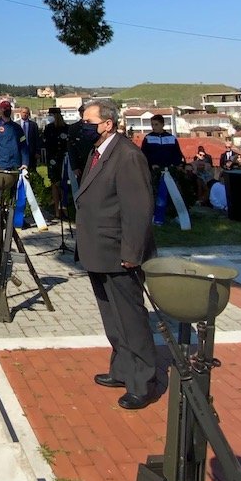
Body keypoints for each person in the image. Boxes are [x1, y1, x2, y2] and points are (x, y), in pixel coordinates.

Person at [74, 98, 158, 410]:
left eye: (88, 122)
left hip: (120, 253)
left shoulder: (127, 156)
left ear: (107, 124)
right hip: (98, 250)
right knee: (112, 317)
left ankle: (141, 381)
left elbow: (138, 209)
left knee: (131, 319)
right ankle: (122, 370)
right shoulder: (98, 152)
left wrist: (132, 253)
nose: (83, 128)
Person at [18, 107, 40, 171]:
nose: (25, 114)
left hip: (31, 152)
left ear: (29, 114)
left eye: (27, 113)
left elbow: (37, 139)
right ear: (20, 113)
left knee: (32, 170)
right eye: (23, 112)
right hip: (19, 151)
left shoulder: (33, 125)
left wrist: (37, 151)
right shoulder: (16, 124)